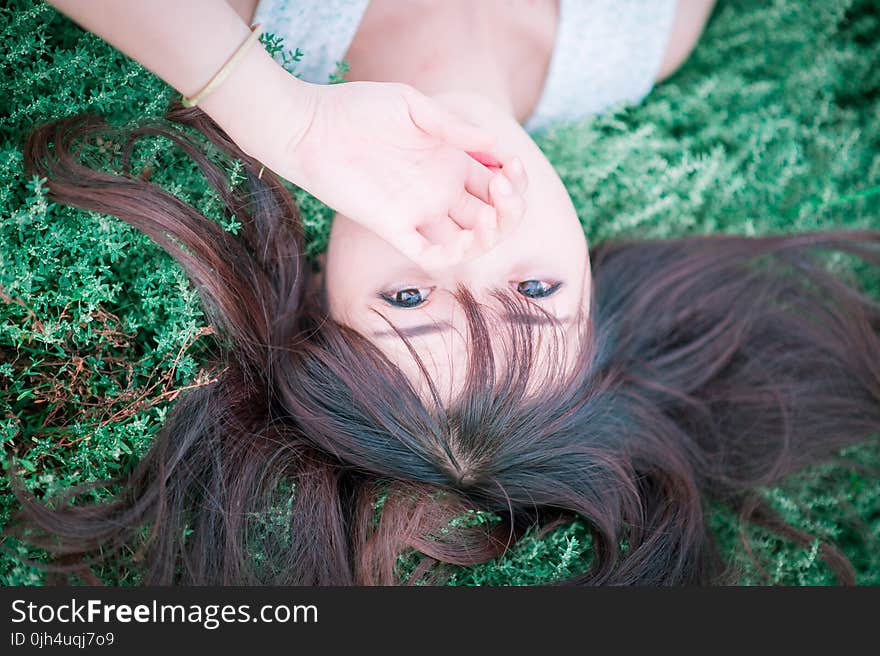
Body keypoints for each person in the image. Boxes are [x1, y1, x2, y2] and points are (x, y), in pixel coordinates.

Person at [10, 0, 880, 585]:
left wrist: (283, 117)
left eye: (407, 302)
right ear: (591, 274)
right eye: (534, 288)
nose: (474, 245)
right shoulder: (641, 39)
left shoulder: (253, 29)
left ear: (322, 282)